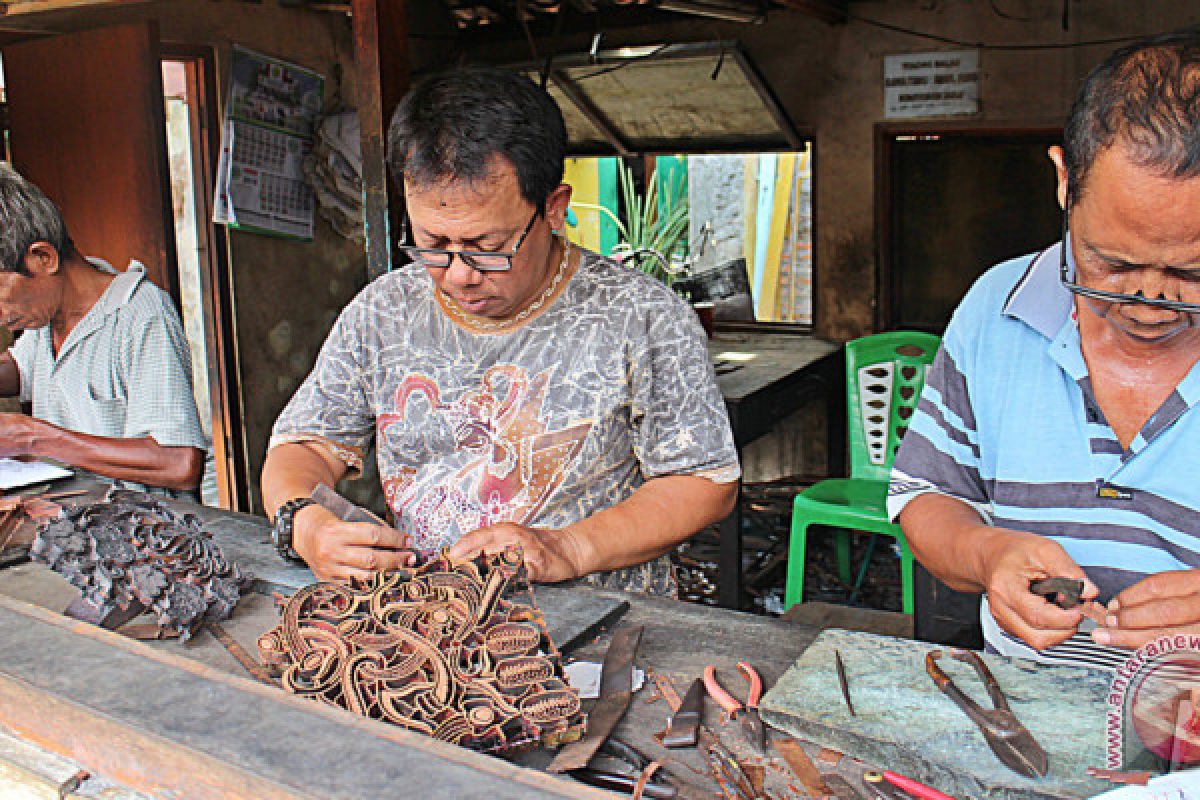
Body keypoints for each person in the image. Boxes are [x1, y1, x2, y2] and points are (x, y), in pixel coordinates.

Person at [262, 67, 739, 594]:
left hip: (608, 624)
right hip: (434, 618)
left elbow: (703, 482)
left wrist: (568, 548)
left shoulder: (642, 316)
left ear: (554, 209)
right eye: (433, 242)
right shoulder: (382, 313)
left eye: (488, 248)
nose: (460, 274)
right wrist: (306, 525)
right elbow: (302, 448)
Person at [889, 31, 1200, 670]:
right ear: (1065, 181)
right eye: (1110, 262)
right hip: (1017, 719)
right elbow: (925, 494)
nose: (1147, 302)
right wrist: (988, 556)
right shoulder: (995, 308)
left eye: (1192, 274)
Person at [0, 164, 207, 498]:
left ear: (42, 258)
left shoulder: (140, 314)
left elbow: (179, 463)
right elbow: (19, 369)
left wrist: (31, 436)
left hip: (141, 537)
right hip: (70, 530)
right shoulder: (45, 315)